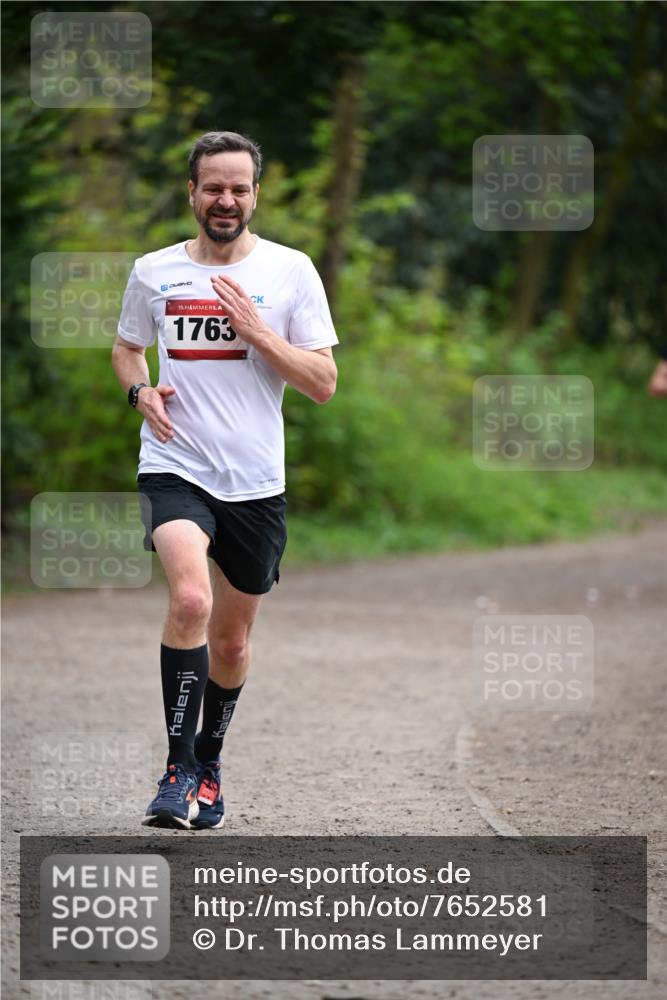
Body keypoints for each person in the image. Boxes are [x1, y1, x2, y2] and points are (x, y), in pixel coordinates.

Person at [112, 131, 338, 829]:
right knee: (188, 599)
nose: (225, 200)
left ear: (254, 195)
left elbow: (323, 383)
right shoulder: (154, 271)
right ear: (192, 192)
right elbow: (127, 349)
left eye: (238, 188)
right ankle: (176, 772)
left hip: (255, 481)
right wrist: (139, 392)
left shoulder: (290, 270)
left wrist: (260, 333)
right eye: (213, 187)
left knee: (233, 645)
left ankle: (208, 763)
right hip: (176, 463)